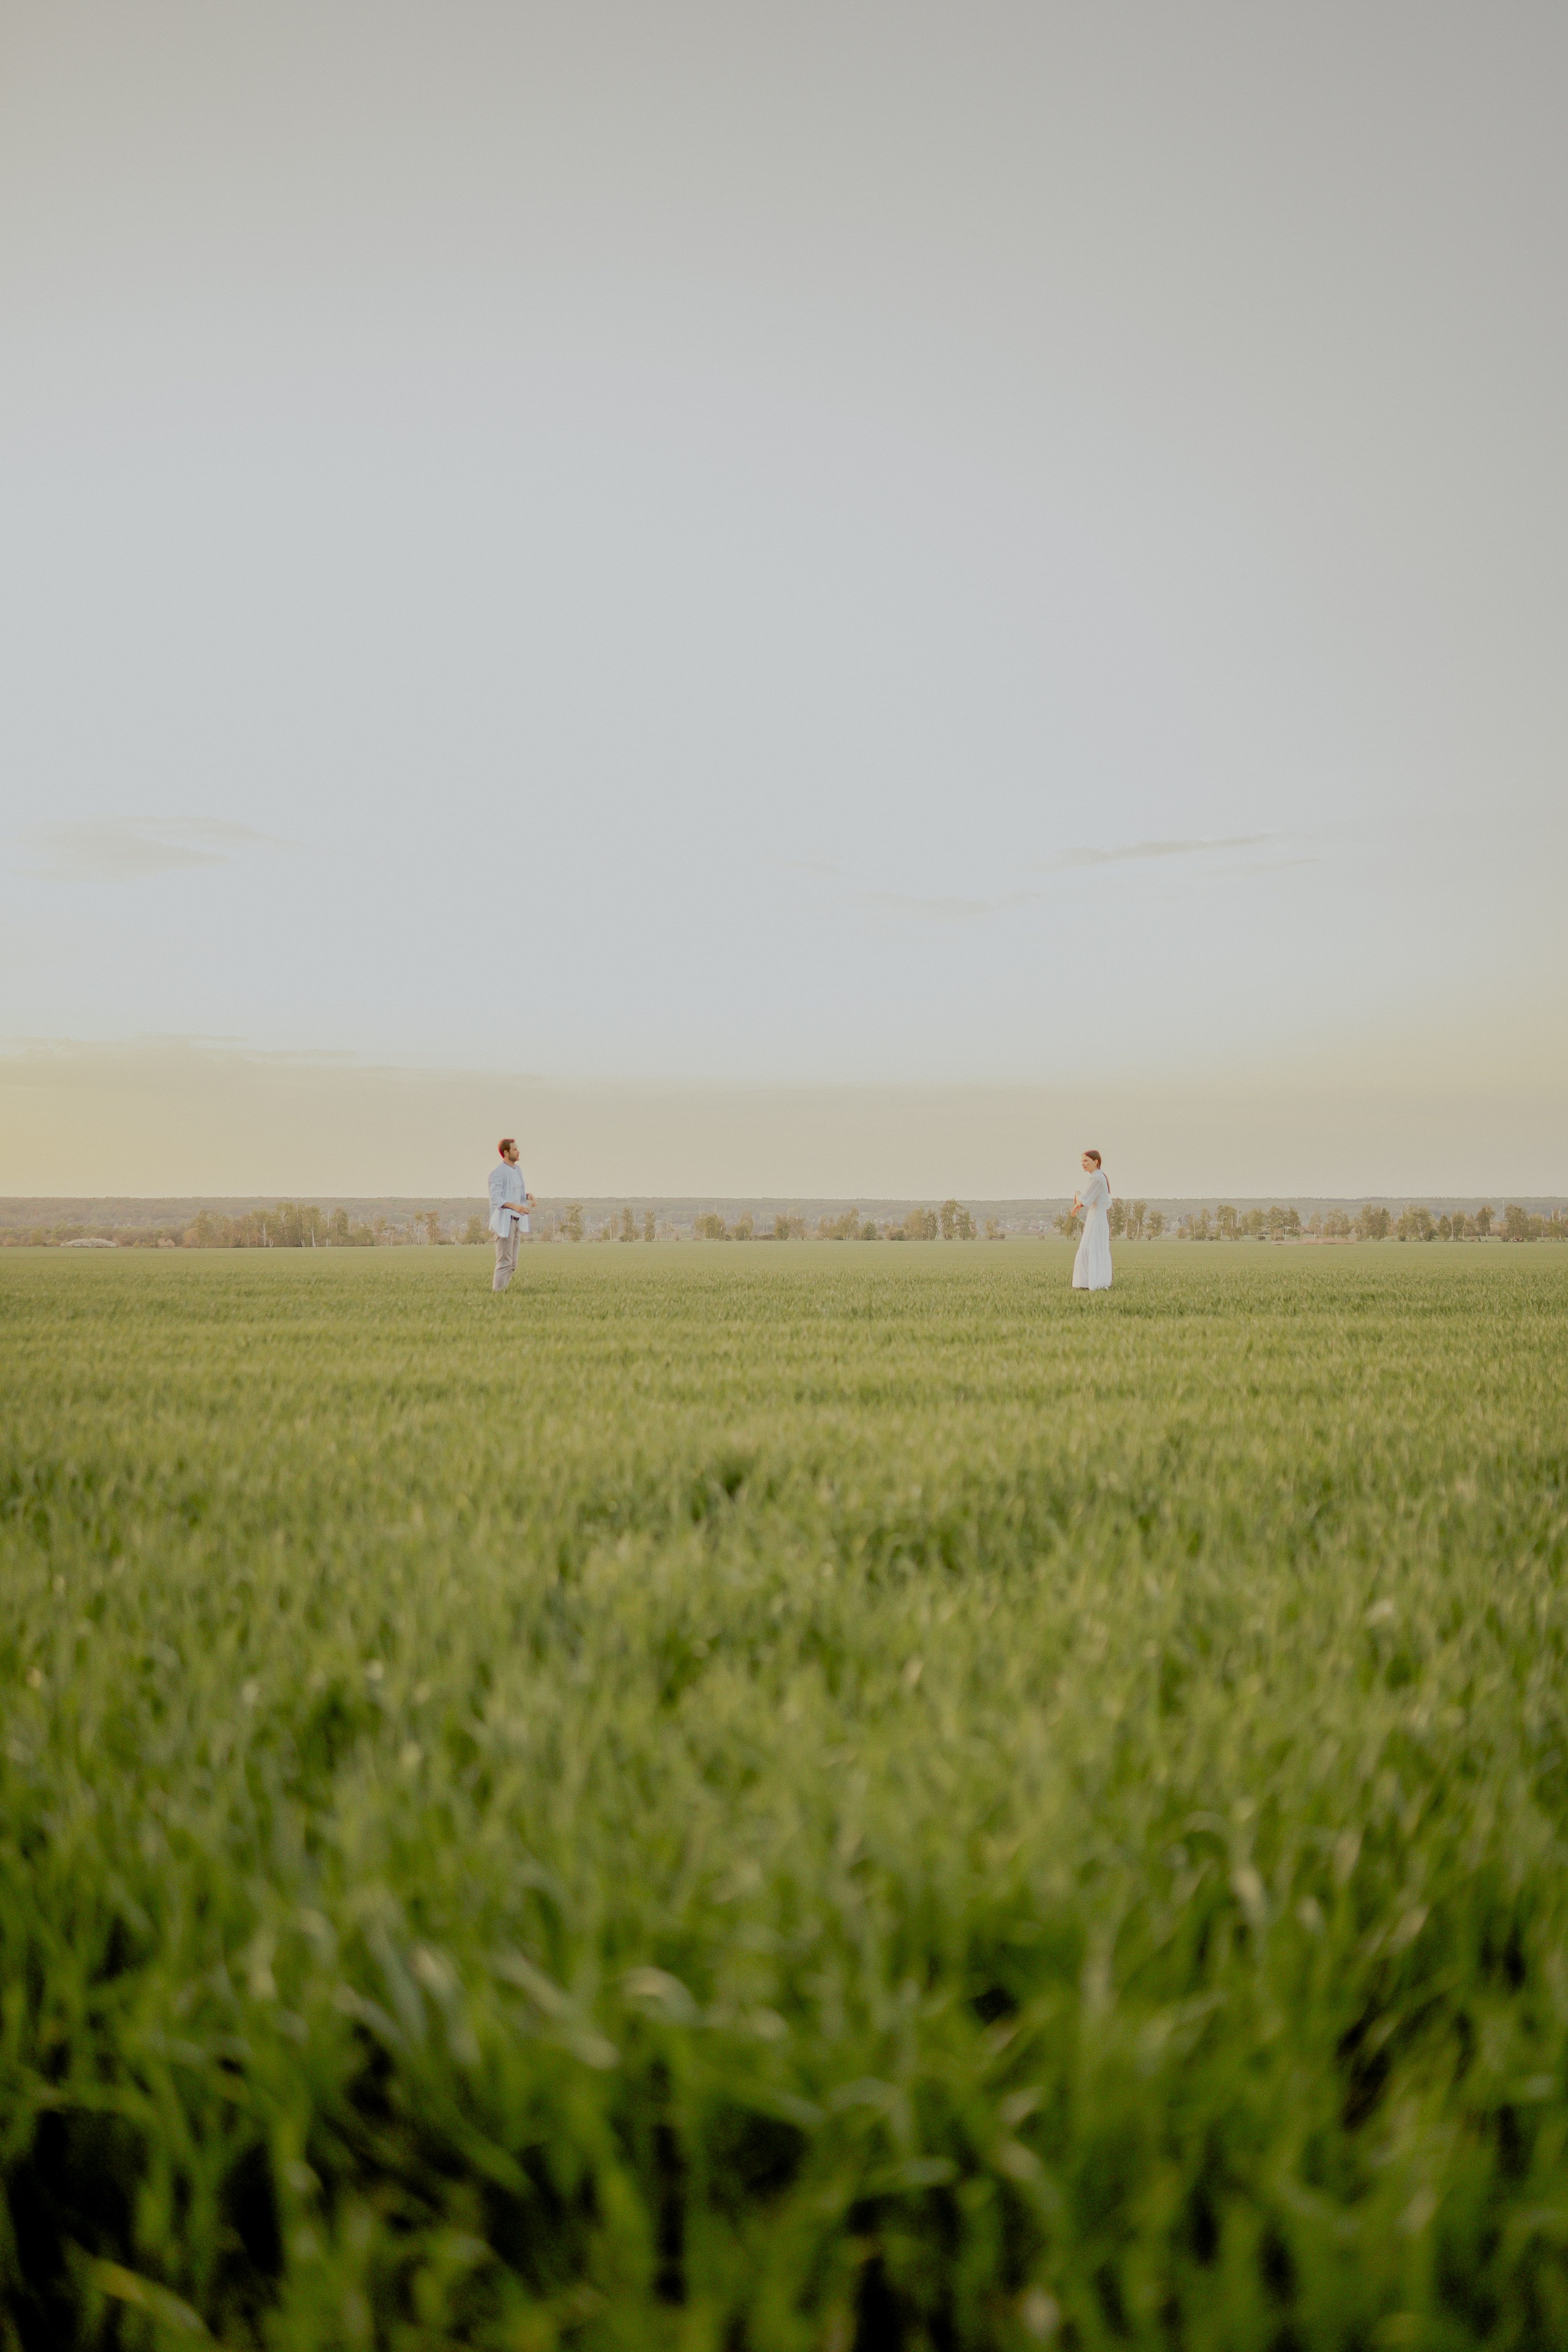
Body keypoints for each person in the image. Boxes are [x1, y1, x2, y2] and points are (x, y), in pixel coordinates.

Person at [489, 1137, 534, 1294]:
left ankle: (503, 1293)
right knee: (504, 1262)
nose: (518, 1151)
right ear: (506, 1153)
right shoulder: (498, 1173)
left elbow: (516, 1194)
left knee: (512, 1264)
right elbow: (496, 1199)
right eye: (515, 1149)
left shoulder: (518, 1170)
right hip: (504, 1222)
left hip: (516, 1221)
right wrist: (514, 1206)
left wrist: (528, 1196)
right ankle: (498, 1295)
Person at [1071, 1149, 1112, 1291]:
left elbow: (1085, 1200)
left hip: (1095, 1221)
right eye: (1082, 1161)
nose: (1083, 1164)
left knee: (1088, 1248)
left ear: (1096, 1162)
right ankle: (1097, 1282)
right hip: (1100, 1220)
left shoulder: (1096, 1178)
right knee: (1097, 1249)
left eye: (1086, 1161)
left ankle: (1087, 1283)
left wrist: (1077, 1194)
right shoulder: (1102, 1177)